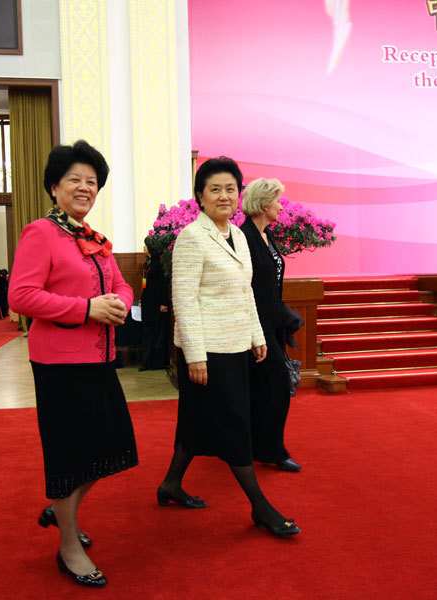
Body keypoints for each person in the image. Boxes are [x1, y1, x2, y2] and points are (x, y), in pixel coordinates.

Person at [9, 140, 137, 588]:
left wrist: (118, 302)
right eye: (75, 181)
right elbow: (20, 296)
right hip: (60, 364)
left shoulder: (95, 240)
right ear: (54, 187)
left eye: (92, 182)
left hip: (99, 359)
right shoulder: (40, 232)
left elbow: (122, 286)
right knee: (70, 457)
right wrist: (86, 309)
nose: (85, 188)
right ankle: (68, 546)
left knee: (112, 448)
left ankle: (60, 511)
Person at [158, 157, 300, 537]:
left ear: (239, 195)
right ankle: (261, 507)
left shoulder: (236, 235)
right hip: (208, 351)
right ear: (200, 197)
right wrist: (195, 355)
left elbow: (246, 293)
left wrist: (256, 336)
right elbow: (184, 300)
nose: (224, 195)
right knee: (236, 426)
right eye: (215, 189)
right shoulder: (191, 237)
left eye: (230, 189)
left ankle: (171, 484)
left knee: (195, 422)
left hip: (237, 345)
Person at [240, 178, 301, 472]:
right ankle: (272, 449)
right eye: (277, 200)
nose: (280, 206)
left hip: (271, 326)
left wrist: (284, 316)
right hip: (254, 329)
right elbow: (246, 289)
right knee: (277, 386)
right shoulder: (244, 238)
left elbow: (271, 286)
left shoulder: (266, 235)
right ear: (264, 204)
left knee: (263, 390)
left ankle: (256, 446)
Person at [138, 241, 171, 370]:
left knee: (157, 332)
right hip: (148, 302)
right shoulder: (147, 263)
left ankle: (157, 362)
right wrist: (142, 297)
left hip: (157, 303)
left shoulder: (159, 264)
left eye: (145, 245)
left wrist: (163, 302)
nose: (143, 247)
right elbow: (144, 283)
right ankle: (146, 362)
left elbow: (163, 284)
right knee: (147, 332)